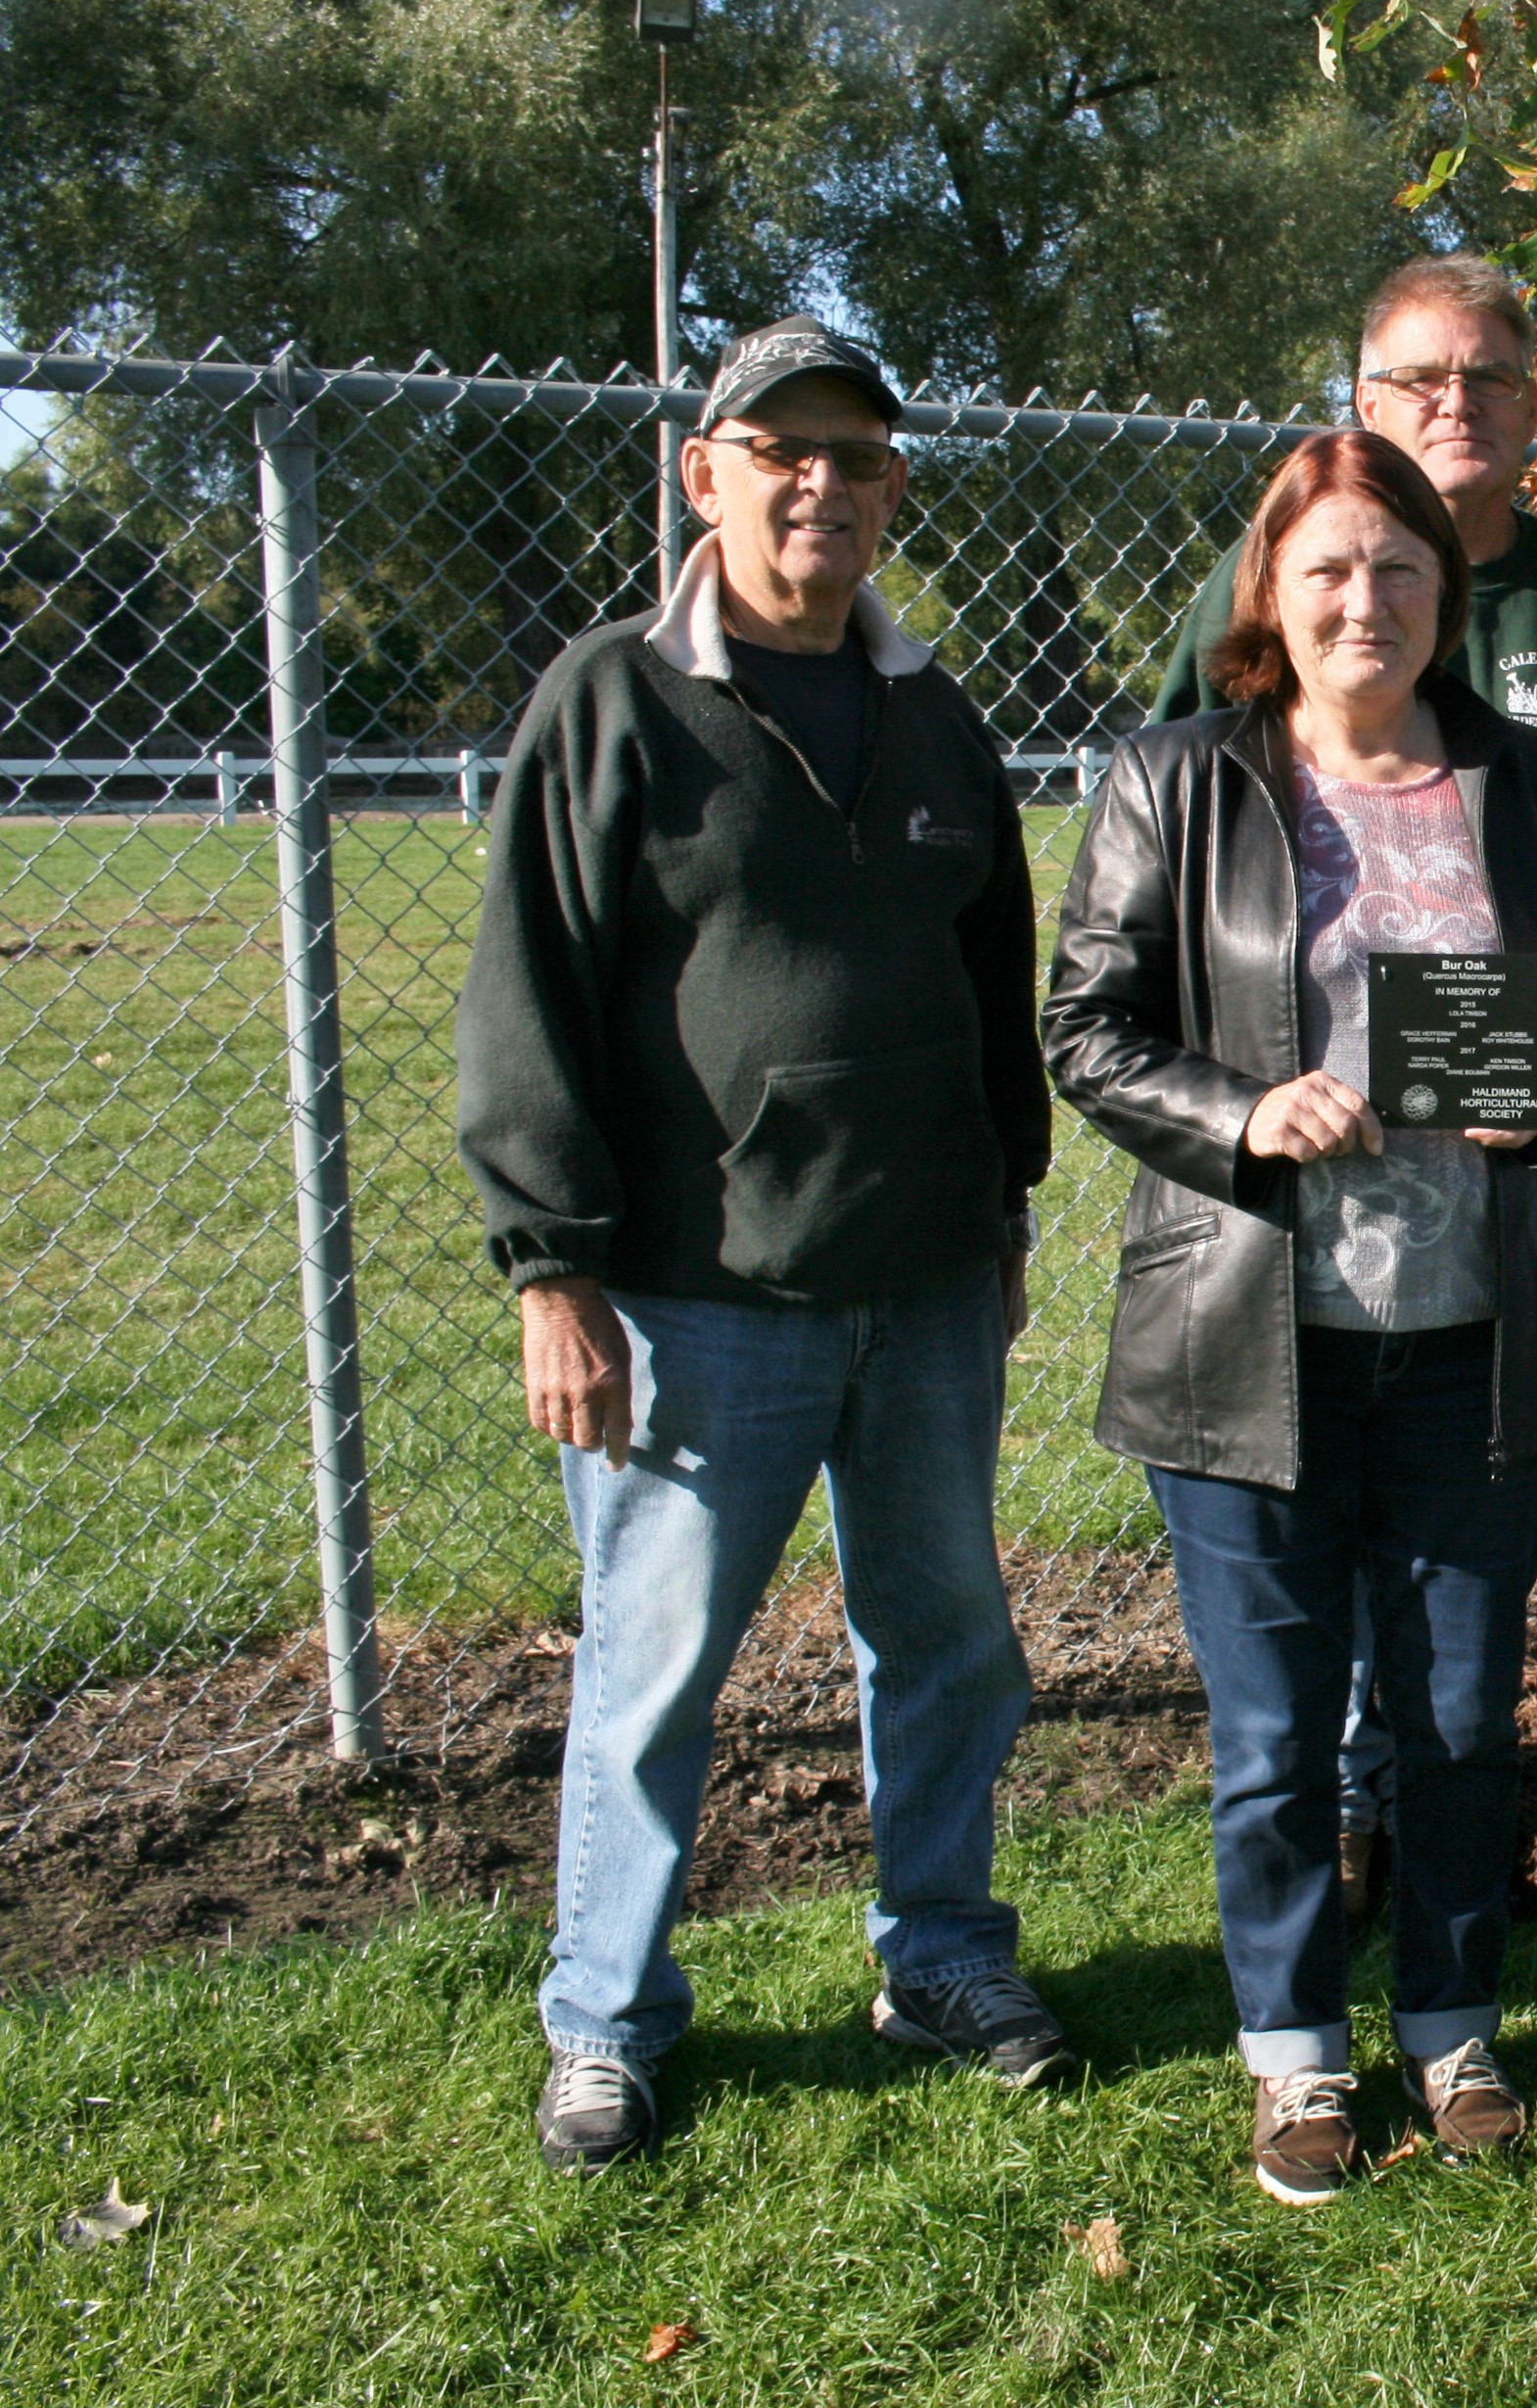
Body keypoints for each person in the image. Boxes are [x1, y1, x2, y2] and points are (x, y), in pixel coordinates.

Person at [458, 317, 1067, 2177]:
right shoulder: (613, 701)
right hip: (695, 1301)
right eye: (780, 448)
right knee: (654, 1677)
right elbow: (531, 995)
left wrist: (1003, 1202)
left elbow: (991, 986)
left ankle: (942, 1958)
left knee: (945, 1639)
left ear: (892, 491)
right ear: (702, 473)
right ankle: (609, 2022)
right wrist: (555, 1270)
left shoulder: (938, 715)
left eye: (857, 455)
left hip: (927, 1287)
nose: (822, 484)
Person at [1042, 430, 1537, 2205]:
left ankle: (1451, 2022)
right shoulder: (1181, 780)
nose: (1363, 600)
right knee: (1273, 1739)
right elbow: (1085, 1027)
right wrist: (1243, 1112)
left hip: (1473, 1334)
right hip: (1252, 1339)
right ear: (1273, 595)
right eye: (1326, 569)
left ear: (1441, 595)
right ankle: (1294, 2057)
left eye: (1396, 569)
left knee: (1462, 1719)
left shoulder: (1529, 782)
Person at [1153, 256, 1537, 1912]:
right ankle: (1348, 1812)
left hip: (1494, 1135)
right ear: (1362, 402)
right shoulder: (1272, 568)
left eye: (1486, 377)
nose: (1452, 407)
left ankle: (1421, 1835)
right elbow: (1180, 801)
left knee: (1440, 1503)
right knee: (1306, 1487)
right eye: (1416, 380)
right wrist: (1225, 1075)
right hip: (1285, 1151)